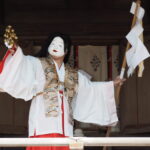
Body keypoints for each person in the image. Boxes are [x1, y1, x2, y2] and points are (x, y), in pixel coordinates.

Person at [0, 33, 125, 150]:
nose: (55, 47)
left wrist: (112, 84)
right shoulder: (37, 64)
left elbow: (90, 88)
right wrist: (14, 49)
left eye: (60, 45)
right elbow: (22, 63)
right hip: (42, 122)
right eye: (53, 44)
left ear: (66, 51)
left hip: (65, 127)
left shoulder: (73, 74)